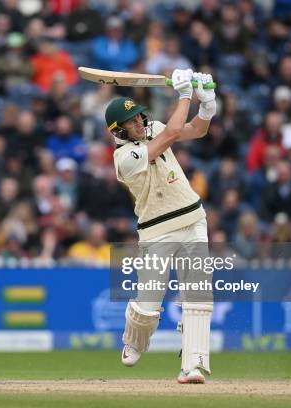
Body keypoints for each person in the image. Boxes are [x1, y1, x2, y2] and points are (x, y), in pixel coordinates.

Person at [106, 69, 217, 384]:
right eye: (132, 122)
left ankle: (192, 365)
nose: (140, 123)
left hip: (192, 217)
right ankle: (136, 340)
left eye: (140, 117)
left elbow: (195, 130)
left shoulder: (152, 127)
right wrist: (184, 95)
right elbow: (170, 136)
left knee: (198, 292)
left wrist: (207, 106)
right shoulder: (124, 158)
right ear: (120, 131)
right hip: (157, 228)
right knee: (149, 301)